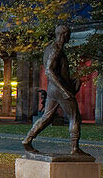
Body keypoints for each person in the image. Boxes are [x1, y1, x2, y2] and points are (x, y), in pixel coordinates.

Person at [23, 24, 88, 156]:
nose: (69, 37)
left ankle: (28, 140)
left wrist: (73, 81)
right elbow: (49, 71)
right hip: (59, 88)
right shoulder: (56, 49)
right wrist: (64, 90)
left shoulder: (49, 48)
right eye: (68, 34)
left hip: (53, 89)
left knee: (47, 117)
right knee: (75, 117)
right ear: (64, 34)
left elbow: (56, 71)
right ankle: (75, 148)